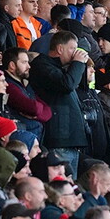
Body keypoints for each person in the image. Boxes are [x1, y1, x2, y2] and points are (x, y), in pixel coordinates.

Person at [29, 31, 88, 177]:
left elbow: (78, 86)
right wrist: (78, 63)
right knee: (60, 182)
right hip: (59, 139)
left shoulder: (62, 69)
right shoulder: (42, 65)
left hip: (70, 140)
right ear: (60, 49)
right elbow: (67, 85)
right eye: (72, 48)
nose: (75, 53)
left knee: (70, 183)